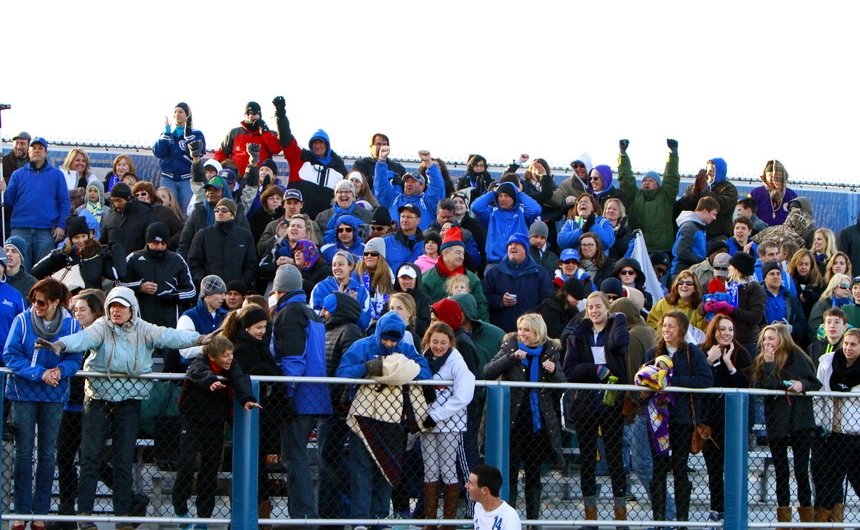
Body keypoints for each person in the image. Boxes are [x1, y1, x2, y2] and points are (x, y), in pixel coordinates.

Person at [34, 286, 217, 530]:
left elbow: (169, 336)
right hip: (98, 398)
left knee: (123, 459)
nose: (116, 311)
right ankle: (85, 516)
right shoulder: (101, 326)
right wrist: (61, 345)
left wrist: (200, 339)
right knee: (90, 457)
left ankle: (123, 517)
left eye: (121, 306)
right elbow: (83, 338)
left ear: (132, 308)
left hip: (130, 400)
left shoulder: (144, 328)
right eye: (112, 306)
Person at [335, 312, 431, 529]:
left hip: (392, 420)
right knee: (361, 469)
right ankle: (360, 520)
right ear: (378, 334)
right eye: (385, 339)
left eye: (393, 340)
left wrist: (401, 372)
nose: (389, 344)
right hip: (363, 419)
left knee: (386, 468)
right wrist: (368, 368)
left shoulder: (405, 349)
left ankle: (379, 519)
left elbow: (425, 373)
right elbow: (343, 373)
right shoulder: (361, 346)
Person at [4, 279, 82, 530]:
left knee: (48, 455)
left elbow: (75, 358)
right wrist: (40, 373)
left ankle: (40, 512)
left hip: (54, 395)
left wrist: (59, 370)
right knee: (24, 454)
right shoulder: (22, 321)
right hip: (23, 393)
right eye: (33, 301)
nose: (36, 306)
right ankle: (21, 511)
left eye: (42, 302)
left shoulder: (71, 324)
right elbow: (11, 355)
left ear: (56, 302)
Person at [483, 313, 565, 526]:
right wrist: (511, 358)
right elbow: (487, 372)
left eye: (527, 330)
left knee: (533, 473)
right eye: (520, 329)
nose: (522, 334)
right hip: (514, 420)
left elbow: (563, 383)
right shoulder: (510, 347)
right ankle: (509, 519)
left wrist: (554, 371)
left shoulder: (550, 350)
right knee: (509, 474)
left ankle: (533, 520)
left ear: (538, 332)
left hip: (538, 422)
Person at [173, 336, 260, 524]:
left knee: (210, 468)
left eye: (231, 354)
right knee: (186, 463)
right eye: (225, 355)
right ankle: (180, 509)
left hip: (215, 422)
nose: (229, 358)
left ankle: (204, 517)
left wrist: (247, 399)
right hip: (193, 419)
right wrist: (211, 381)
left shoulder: (232, 365)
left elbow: (239, 378)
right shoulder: (200, 362)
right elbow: (198, 372)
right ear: (212, 356)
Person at [638, 310, 713, 527]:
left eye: (671, 326)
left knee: (680, 468)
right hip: (657, 419)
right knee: (658, 469)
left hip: (682, 419)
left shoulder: (692, 353)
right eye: (664, 325)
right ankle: (659, 520)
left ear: (681, 329)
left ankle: (682, 520)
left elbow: (705, 379)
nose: (667, 330)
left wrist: (671, 382)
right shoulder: (653, 353)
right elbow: (640, 383)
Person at [563, 292, 630, 524]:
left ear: (607, 307)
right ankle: (590, 519)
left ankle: (620, 518)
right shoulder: (578, 335)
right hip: (585, 404)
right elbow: (570, 370)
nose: (594, 311)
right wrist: (595, 369)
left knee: (614, 459)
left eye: (598, 306)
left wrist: (618, 320)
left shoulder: (616, 329)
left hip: (612, 404)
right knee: (587, 459)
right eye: (590, 307)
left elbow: (619, 345)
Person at [753, 324, 821, 527]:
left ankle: (806, 519)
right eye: (765, 339)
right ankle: (784, 520)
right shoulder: (763, 361)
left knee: (801, 471)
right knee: (781, 471)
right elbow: (767, 386)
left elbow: (815, 383)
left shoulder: (798, 358)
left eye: (771, 339)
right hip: (777, 422)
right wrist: (769, 364)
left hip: (800, 421)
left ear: (782, 339)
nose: (767, 343)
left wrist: (802, 385)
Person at [220, 304, 283, 524]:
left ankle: (259, 516)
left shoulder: (259, 346)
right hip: (247, 417)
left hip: (262, 417)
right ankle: (249, 516)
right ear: (246, 327)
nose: (262, 331)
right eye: (258, 327)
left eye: (264, 327)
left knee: (259, 469)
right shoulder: (240, 349)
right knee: (250, 468)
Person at [420, 321, 476, 530]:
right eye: (435, 341)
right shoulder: (423, 358)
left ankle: (449, 522)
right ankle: (430, 521)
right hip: (426, 423)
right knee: (430, 470)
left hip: (450, 424)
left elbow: (463, 396)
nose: (438, 346)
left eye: (443, 342)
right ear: (428, 341)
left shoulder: (456, 362)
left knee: (447, 469)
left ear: (450, 342)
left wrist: (437, 415)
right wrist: (425, 416)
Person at [698, 315, 753, 524]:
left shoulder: (742, 354)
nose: (727, 333)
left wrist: (729, 364)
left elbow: (745, 385)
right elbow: (700, 383)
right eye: (722, 329)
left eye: (730, 329)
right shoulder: (702, 352)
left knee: (733, 469)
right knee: (713, 468)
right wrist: (710, 361)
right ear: (713, 331)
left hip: (734, 422)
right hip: (710, 422)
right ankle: (716, 511)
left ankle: (733, 513)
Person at [812, 327, 860, 524]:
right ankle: (826, 521)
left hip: (854, 431)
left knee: (852, 478)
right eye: (846, 343)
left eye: (854, 345)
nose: (848, 348)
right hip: (829, 430)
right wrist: (819, 422)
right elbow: (819, 394)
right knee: (827, 479)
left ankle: (825, 519)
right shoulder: (828, 361)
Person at [4, 137, 70, 270]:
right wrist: (3, 191)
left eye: (41, 148)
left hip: (46, 231)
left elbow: (64, 202)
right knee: (19, 271)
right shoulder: (17, 175)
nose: (37, 151)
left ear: (46, 153)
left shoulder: (57, 175)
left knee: (44, 272)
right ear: (29, 152)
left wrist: (61, 226)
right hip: (20, 230)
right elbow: (7, 202)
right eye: (34, 148)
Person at [616, 139, 680, 253]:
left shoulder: (665, 197)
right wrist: (623, 153)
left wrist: (673, 153)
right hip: (638, 247)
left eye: (651, 180)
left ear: (658, 185)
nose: (646, 183)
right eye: (644, 180)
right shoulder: (634, 196)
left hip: (662, 250)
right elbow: (626, 179)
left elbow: (671, 178)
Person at [31, 215, 126, 292]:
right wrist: (52, 260)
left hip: (92, 302)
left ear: (89, 236)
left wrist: (118, 249)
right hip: (67, 302)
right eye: (76, 237)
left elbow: (117, 274)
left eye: (83, 236)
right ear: (70, 239)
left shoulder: (98, 254)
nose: (81, 241)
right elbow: (34, 273)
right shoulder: (62, 254)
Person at [482, 233, 555, 332]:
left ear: (525, 248)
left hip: (530, 331)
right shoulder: (494, 272)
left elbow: (548, 302)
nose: (513, 247)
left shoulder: (539, 273)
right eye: (510, 244)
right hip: (501, 331)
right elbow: (484, 298)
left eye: (517, 244)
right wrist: (500, 301)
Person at [187, 198, 257, 289]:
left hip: (236, 291)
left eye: (224, 210)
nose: (219, 212)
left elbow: (251, 263)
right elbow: (193, 263)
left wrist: (242, 284)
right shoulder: (203, 235)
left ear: (232, 214)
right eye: (217, 210)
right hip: (210, 291)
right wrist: (206, 282)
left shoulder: (244, 235)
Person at [472, 181, 542, 266]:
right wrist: (493, 193)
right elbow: (475, 207)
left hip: (517, 262)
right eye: (500, 195)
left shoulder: (523, 213)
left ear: (514, 197)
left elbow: (536, 210)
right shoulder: (491, 213)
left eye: (507, 196)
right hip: (494, 263)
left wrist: (520, 194)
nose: (502, 199)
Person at [374, 148, 445, 231]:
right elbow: (380, 185)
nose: (409, 184)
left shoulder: (428, 201)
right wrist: (381, 161)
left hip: (421, 242)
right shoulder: (393, 199)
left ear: (422, 186)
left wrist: (429, 163)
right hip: (396, 241)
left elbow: (437, 187)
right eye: (407, 181)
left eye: (413, 181)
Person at [153, 102, 205, 212]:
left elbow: (197, 154)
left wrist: (188, 135)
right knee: (165, 210)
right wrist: (166, 133)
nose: (177, 114)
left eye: (181, 112)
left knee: (187, 212)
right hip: (167, 178)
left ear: (187, 115)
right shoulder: (168, 134)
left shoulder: (196, 134)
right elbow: (159, 153)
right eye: (175, 112)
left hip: (187, 179)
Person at [213, 101, 282, 175]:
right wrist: (225, 168)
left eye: (254, 113)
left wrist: (265, 130)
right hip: (236, 179)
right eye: (248, 114)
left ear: (259, 115)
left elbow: (276, 149)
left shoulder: (269, 133)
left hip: (259, 178)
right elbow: (221, 153)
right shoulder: (234, 132)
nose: (250, 116)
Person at [309, 250, 371, 329]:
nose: (336, 268)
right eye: (334, 265)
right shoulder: (320, 287)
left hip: (352, 336)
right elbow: (314, 318)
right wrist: (336, 302)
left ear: (351, 266)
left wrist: (353, 306)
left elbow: (366, 324)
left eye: (340, 264)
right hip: (327, 337)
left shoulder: (361, 291)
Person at [177, 275, 229, 367]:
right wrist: (211, 349)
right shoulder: (188, 317)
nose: (224, 297)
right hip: (197, 370)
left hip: (225, 370)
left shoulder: (227, 316)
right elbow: (185, 351)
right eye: (220, 293)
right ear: (207, 295)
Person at [99, 182, 159, 255]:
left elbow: (151, 242)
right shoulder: (112, 213)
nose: (116, 204)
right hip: (114, 260)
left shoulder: (145, 214)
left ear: (128, 199)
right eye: (113, 201)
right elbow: (104, 240)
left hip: (136, 261)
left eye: (119, 200)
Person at [762, 261, 808, 345]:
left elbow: (802, 324)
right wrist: (768, 329)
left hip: (787, 344)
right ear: (764, 278)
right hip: (764, 344)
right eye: (772, 274)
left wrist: (790, 328)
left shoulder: (791, 299)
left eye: (778, 274)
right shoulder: (758, 298)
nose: (776, 277)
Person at [671, 196, 720, 275]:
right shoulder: (689, 227)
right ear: (705, 211)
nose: (714, 218)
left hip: (691, 271)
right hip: (681, 271)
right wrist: (703, 262)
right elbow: (682, 252)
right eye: (713, 214)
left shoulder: (699, 227)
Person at [466, 464, 522, 530]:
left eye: (470, 483)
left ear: (484, 490)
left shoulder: (509, 518)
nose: (466, 486)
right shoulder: (478, 507)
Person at [131, 181, 184, 249]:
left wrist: (167, 243)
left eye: (143, 194)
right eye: (136, 195)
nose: (140, 197)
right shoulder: (131, 214)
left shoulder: (165, 212)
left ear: (151, 195)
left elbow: (180, 231)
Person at [748, 160, 798, 227]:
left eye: (773, 176)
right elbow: (747, 215)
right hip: (758, 234)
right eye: (768, 176)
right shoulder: (755, 193)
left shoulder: (791, 196)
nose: (771, 179)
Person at [808, 274, 854, 345]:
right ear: (834, 287)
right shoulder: (822, 304)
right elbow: (813, 329)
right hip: (824, 345)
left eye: (849, 287)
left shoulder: (852, 306)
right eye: (843, 286)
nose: (847, 289)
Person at [382, 204, 427, 274]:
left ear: (418, 220)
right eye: (402, 216)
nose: (404, 220)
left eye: (409, 217)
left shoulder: (426, 243)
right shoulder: (386, 241)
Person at [789, 249, 826, 320]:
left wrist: (811, 296)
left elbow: (823, 300)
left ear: (811, 265)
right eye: (800, 264)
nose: (803, 267)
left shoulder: (819, 282)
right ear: (795, 264)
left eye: (806, 264)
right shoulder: (790, 281)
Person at [3, 236, 37, 301]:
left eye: (14, 251)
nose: (9, 254)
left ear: (21, 256)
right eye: (6, 251)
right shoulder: (0, 278)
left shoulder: (31, 282)